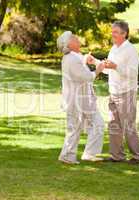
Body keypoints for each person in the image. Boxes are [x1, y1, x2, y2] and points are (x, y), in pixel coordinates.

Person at [88, 21, 139, 165]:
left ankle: (138, 155)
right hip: (113, 92)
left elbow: (132, 73)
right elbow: (109, 69)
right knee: (114, 125)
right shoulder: (114, 48)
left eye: (115, 32)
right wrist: (95, 61)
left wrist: (116, 66)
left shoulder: (131, 50)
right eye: (112, 31)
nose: (112, 34)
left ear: (124, 34)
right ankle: (117, 156)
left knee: (128, 125)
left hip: (126, 92)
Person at [57, 31, 105, 164]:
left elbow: (80, 69)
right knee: (75, 128)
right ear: (69, 44)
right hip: (76, 101)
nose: (76, 38)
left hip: (84, 100)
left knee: (97, 124)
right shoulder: (71, 59)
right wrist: (98, 69)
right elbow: (86, 76)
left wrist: (85, 60)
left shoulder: (74, 57)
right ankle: (67, 155)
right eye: (73, 38)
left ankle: (88, 154)